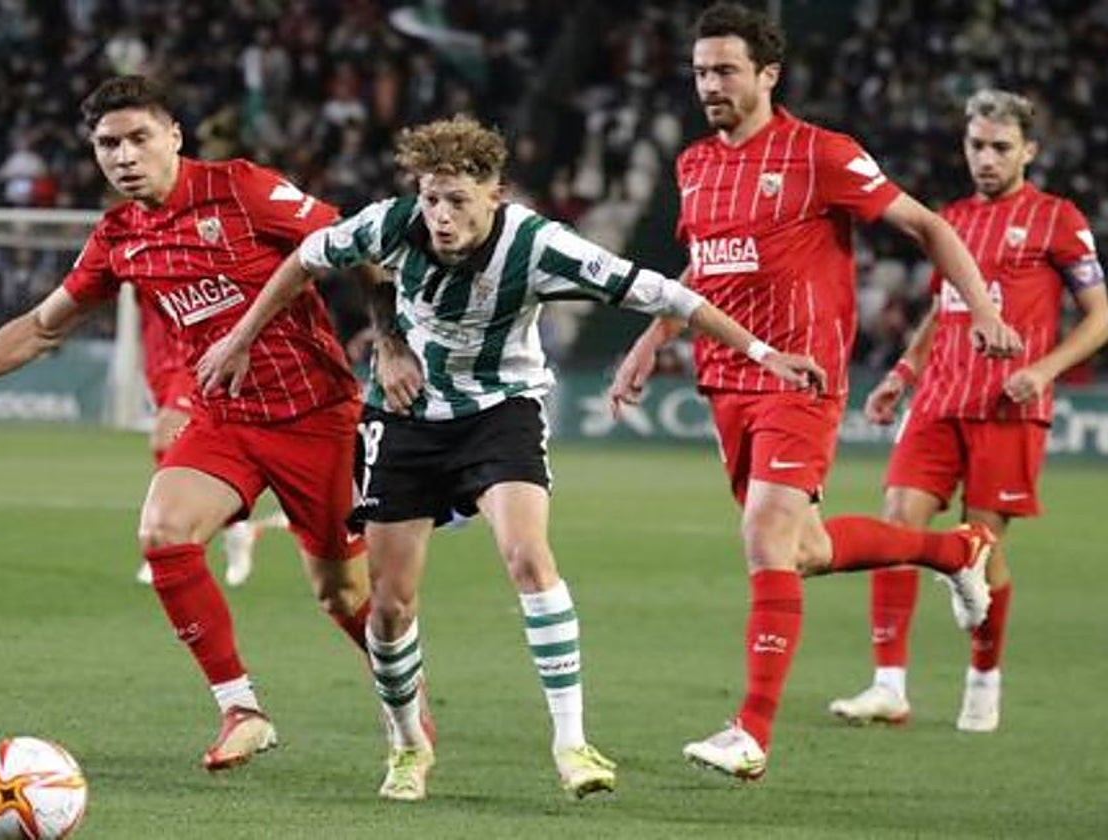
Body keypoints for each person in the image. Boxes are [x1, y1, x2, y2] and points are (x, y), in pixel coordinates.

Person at [196, 114, 825, 801]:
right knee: (388, 607)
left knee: (527, 555)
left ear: (495, 193)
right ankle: (408, 746)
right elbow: (307, 260)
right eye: (431, 197)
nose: (440, 215)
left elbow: (667, 293)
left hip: (502, 413)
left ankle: (571, 742)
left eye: (457, 200)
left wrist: (765, 354)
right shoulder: (391, 222)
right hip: (407, 418)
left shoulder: (538, 244)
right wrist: (243, 338)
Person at [0, 75, 409, 772]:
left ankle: (408, 717)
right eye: (107, 144)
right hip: (223, 419)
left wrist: (388, 341)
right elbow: (42, 327)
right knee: (163, 533)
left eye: (139, 137)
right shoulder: (118, 234)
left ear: (174, 136)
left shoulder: (243, 188)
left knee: (344, 593)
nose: (123, 155)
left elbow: (360, 245)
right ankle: (242, 709)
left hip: (316, 417)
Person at [608, 3, 1024, 780]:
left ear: (768, 74)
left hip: (801, 378)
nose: (711, 84)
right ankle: (953, 550)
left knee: (766, 535)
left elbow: (929, 227)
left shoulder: (820, 154)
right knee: (803, 549)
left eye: (726, 69)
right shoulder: (694, 163)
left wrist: (986, 309)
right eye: (701, 71)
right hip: (724, 381)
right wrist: (650, 337)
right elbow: (709, 267)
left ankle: (751, 731)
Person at [829, 90, 1108, 732]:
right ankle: (888, 686)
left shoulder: (1058, 220)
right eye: (976, 145)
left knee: (981, 546)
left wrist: (1041, 370)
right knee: (897, 522)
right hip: (938, 399)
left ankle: (984, 681)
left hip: (1009, 406)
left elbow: (1099, 319)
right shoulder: (950, 217)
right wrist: (903, 372)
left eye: (1000, 148)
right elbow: (944, 308)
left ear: (1029, 152)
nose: (986, 158)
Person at [133, 297, 289, 588]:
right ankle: (232, 528)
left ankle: (172, 536)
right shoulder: (124, 255)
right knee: (175, 437)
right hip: (159, 358)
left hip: (195, 350)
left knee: (165, 433)